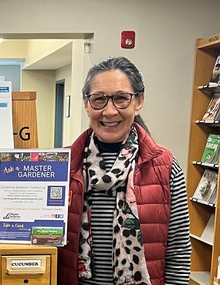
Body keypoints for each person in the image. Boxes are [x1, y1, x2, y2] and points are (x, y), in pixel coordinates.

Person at [58, 57, 191, 285]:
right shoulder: (63, 165)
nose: (109, 111)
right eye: (99, 99)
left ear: (138, 101)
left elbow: (178, 252)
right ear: (86, 104)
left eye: (121, 98)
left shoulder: (165, 167)